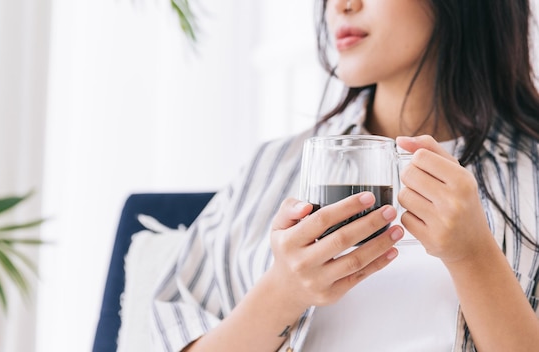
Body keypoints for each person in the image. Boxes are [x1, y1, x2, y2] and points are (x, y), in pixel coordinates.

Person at [150, 0, 539, 351]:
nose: (342, 5)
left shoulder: (529, 175)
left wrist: (474, 256)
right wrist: (283, 292)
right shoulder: (273, 166)